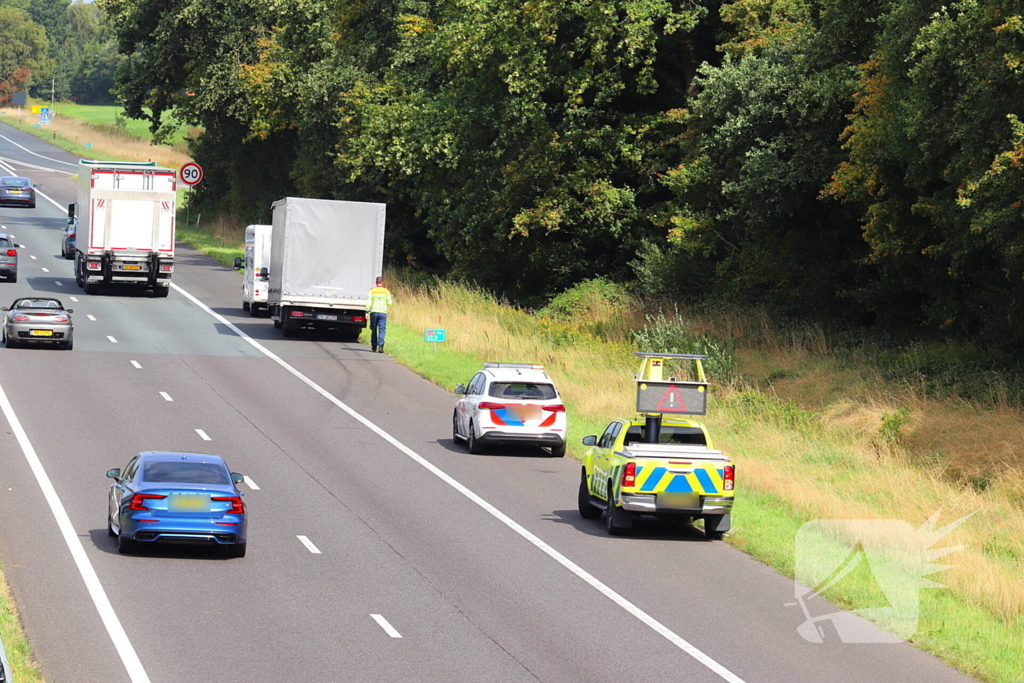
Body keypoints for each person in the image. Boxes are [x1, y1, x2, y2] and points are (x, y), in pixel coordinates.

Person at [368, 276, 393, 353]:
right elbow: (389, 303)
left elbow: (369, 302)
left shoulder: (372, 291)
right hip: (382, 313)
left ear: (376, 283)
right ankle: (381, 346)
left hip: (374, 312)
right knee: (382, 329)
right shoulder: (386, 291)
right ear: (382, 283)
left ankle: (374, 345)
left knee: (374, 329)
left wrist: (366, 311)